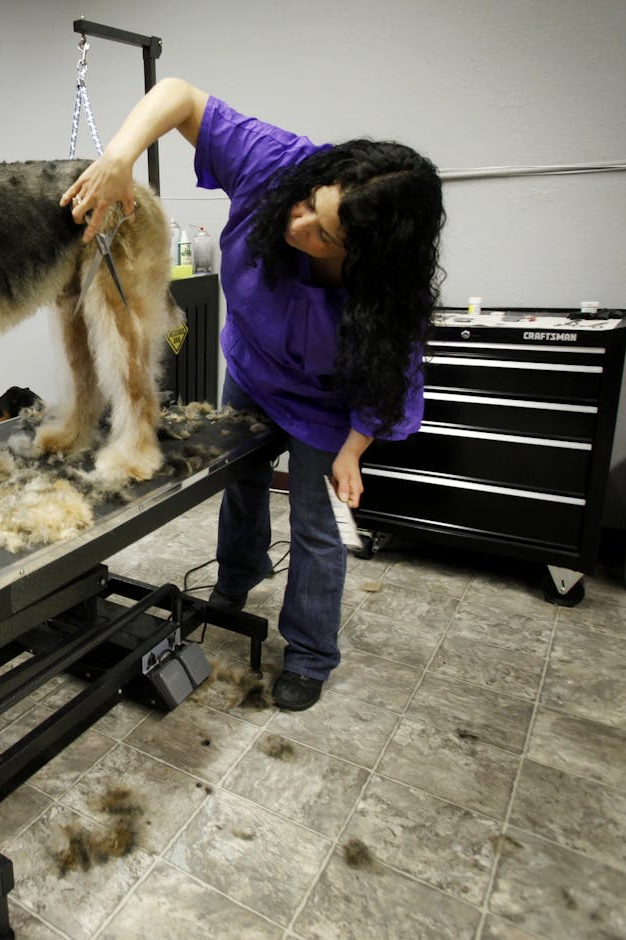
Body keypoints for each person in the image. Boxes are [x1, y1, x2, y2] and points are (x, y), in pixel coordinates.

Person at [61, 79, 445, 710]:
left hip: (325, 406)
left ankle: (311, 654)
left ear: (370, 258)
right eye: (306, 207)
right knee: (238, 481)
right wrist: (120, 158)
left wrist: (352, 450)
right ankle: (238, 580)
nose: (297, 226)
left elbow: (386, 386)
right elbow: (179, 96)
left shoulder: (390, 300)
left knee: (318, 528)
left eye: (323, 234)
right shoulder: (280, 168)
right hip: (252, 367)